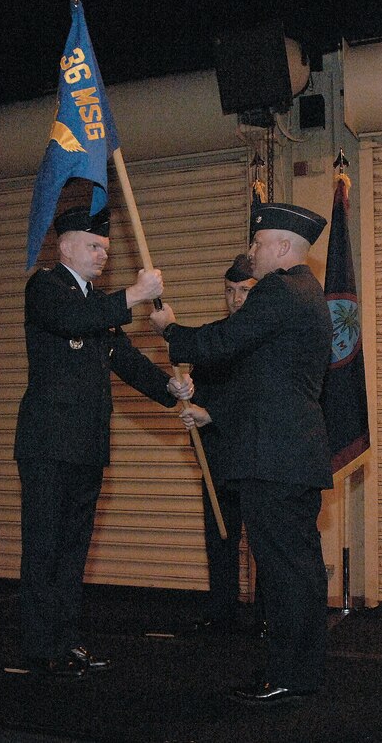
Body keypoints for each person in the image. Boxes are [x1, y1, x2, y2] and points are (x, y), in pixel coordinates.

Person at [150, 203, 332, 705]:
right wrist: (215, 413)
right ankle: (304, 669)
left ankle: (288, 673)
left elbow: (225, 342)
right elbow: (263, 377)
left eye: (257, 243)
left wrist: (171, 330)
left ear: (280, 248)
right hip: (294, 449)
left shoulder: (278, 289)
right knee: (299, 567)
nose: (251, 251)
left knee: (283, 570)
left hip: (273, 453)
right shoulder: (308, 294)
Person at [14, 205, 181, 678]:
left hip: (87, 444)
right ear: (65, 246)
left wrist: (168, 390)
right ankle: (37, 645)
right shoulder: (46, 288)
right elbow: (71, 321)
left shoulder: (100, 303)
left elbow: (123, 359)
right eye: (94, 246)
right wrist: (133, 295)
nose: (102, 255)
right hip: (48, 445)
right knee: (44, 547)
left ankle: (65, 640)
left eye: (106, 249)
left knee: (73, 550)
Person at [171, 255, 259, 633]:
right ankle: (221, 611)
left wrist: (215, 413)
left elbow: (256, 398)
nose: (236, 300)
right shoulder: (214, 337)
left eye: (244, 291)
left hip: (257, 455)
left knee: (264, 541)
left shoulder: (264, 339)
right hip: (218, 456)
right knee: (220, 537)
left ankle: (267, 617)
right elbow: (200, 392)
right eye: (229, 291)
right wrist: (189, 402)